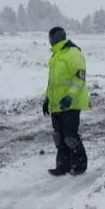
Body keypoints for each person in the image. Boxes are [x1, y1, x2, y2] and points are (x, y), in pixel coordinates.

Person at [41, 26, 89, 176]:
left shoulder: (73, 53)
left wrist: (70, 97)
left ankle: (80, 164)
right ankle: (63, 165)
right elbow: (52, 83)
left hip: (71, 103)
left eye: (51, 37)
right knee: (58, 137)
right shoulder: (55, 56)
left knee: (70, 136)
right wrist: (47, 98)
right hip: (56, 105)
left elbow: (79, 78)